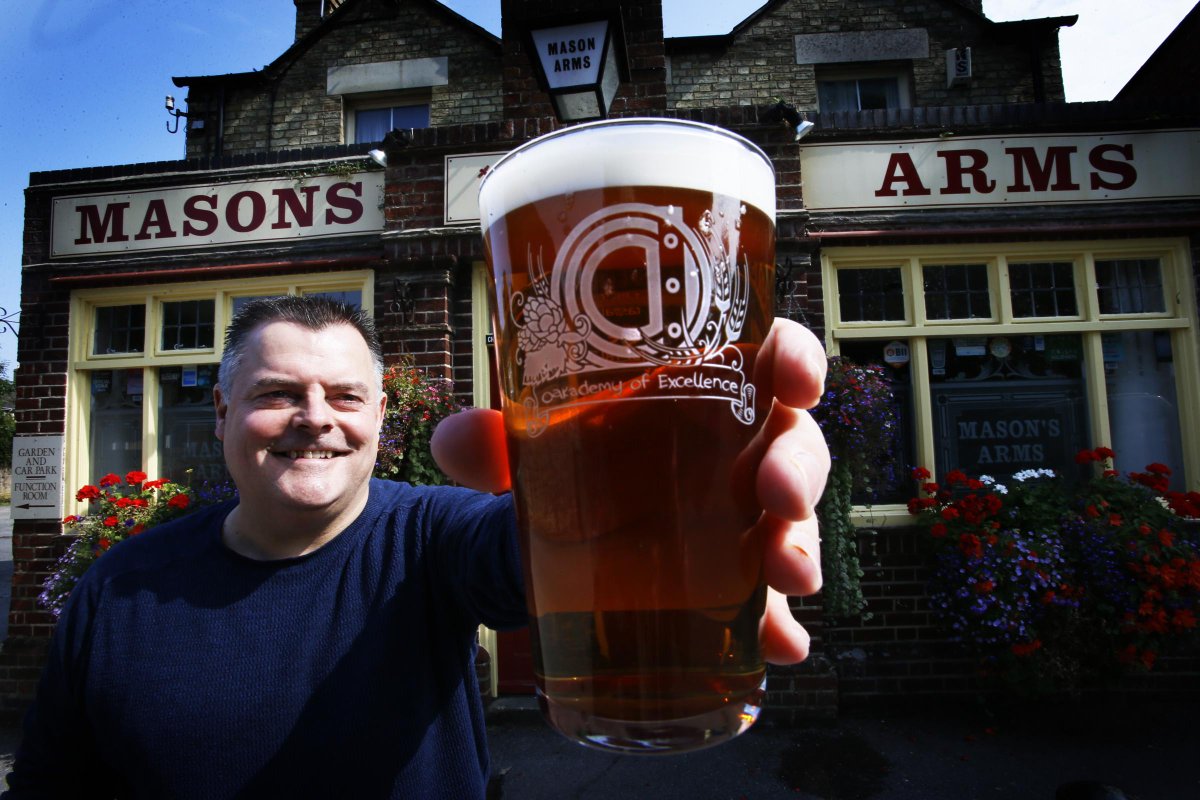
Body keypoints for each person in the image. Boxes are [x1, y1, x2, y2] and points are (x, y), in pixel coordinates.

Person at [2, 296, 829, 799]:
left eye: (345, 396)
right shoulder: (122, 585)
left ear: (378, 423)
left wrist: (680, 478)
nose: (316, 417)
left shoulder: (429, 535)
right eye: (278, 394)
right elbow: (50, 785)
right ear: (220, 413)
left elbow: (525, 546)